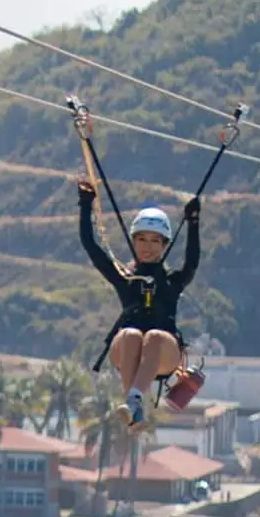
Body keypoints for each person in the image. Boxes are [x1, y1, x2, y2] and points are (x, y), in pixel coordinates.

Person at [77, 178, 200, 429]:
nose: (148, 247)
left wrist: (193, 222)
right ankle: (134, 406)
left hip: (163, 352)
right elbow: (91, 245)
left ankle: (133, 401)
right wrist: (86, 204)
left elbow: (192, 262)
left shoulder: (172, 280)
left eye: (155, 241)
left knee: (153, 336)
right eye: (142, 239)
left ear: (165, 245)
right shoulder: (124, 277)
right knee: (132, 334)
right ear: (133, 241)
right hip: (127, 349)